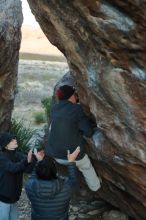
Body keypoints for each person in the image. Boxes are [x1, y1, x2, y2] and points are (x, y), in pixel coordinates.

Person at [46, 85, 101, 191]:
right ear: (71, 96)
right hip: (74, 157)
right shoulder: (76, 109)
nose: (76, 97)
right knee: (86, 167)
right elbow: (88, 132)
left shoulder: (54, 109)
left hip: (56, 155)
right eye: (75, 94)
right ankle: (96, 188)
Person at [25, 146, 80, 220]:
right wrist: (71, 161)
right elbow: (73, 181)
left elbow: (33, 177)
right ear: (55, 171)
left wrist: (39, 162)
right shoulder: (66, 188)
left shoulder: (29, 186)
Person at [0, 132, 34, 220]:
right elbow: (13, 168)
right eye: (11, 140)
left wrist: (33, 159)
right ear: (5, 145)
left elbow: (28, 169)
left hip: (14, 197)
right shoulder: (2, 158)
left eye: (15, 138)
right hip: (3, 198)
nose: (15, 140)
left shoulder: (18, 155)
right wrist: (26, 161)